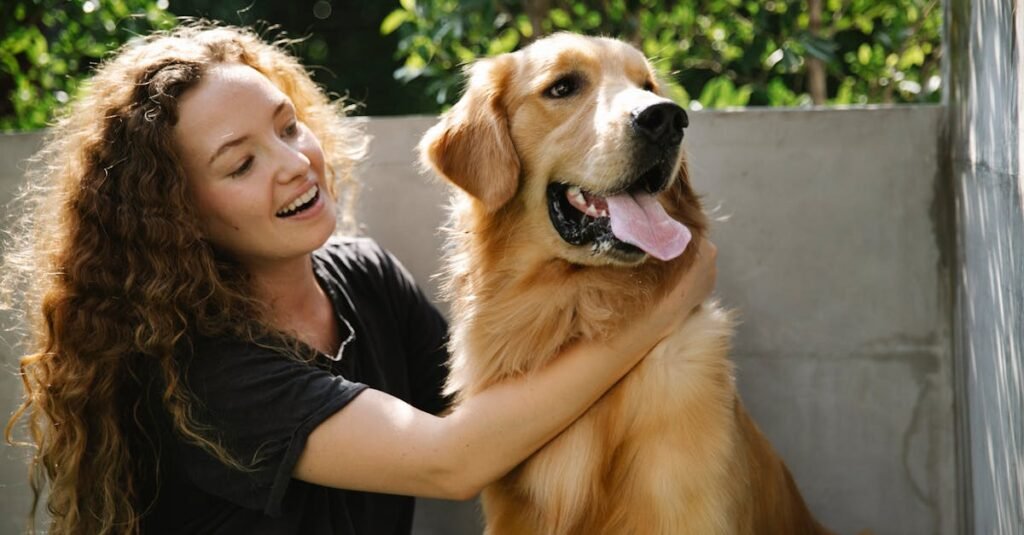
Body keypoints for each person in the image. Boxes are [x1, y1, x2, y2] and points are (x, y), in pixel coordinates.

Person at [1, 22, 718, 535]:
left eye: (287, 127)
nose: (291, 163)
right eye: (240, 163)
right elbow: (454, 459)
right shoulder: (200, 370)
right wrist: (667, 303)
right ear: (177, 215)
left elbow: (505, 411)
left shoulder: (363, 277)